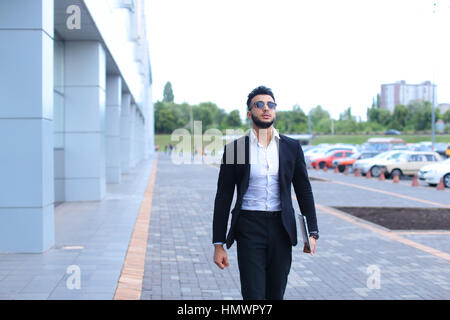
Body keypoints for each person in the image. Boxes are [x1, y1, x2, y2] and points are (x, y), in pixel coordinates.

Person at [212, 86, 319, 300]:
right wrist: (218, 243)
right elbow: (223, 196)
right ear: (250, 113)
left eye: (271, 104)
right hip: (249, 227)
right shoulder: (236, 149)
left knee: (275, 293)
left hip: (282, 228)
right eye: (259, 104)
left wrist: (312, 232)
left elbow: (304, 190)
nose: (266, 108)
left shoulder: (291, 147)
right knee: (253, 295)